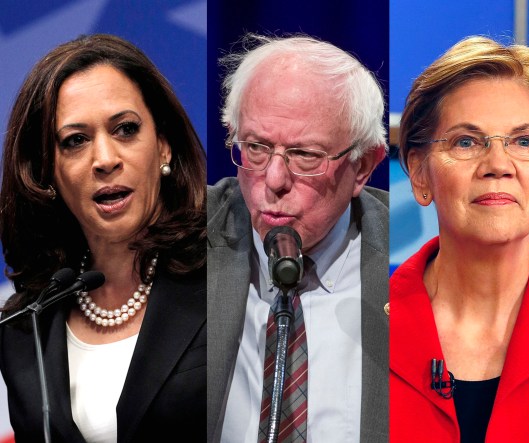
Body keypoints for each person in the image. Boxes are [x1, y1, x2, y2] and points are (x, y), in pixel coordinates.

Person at [0, 34, 207, 442]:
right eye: (75, 141)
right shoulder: (24, 327)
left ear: (163, 146)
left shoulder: (225, 276)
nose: (106, 159)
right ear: (46, 171)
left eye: (126, 129)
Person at [390, 36, 529, 442]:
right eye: (466, 141)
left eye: (524, 142)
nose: (498, 165)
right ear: (420, 173)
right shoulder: (363, 326)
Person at [207, 35, 389, 442]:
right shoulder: (188, 234)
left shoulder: (412, 266)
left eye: (305, 155)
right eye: (256, 147)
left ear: (362, 166)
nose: (273, 180)